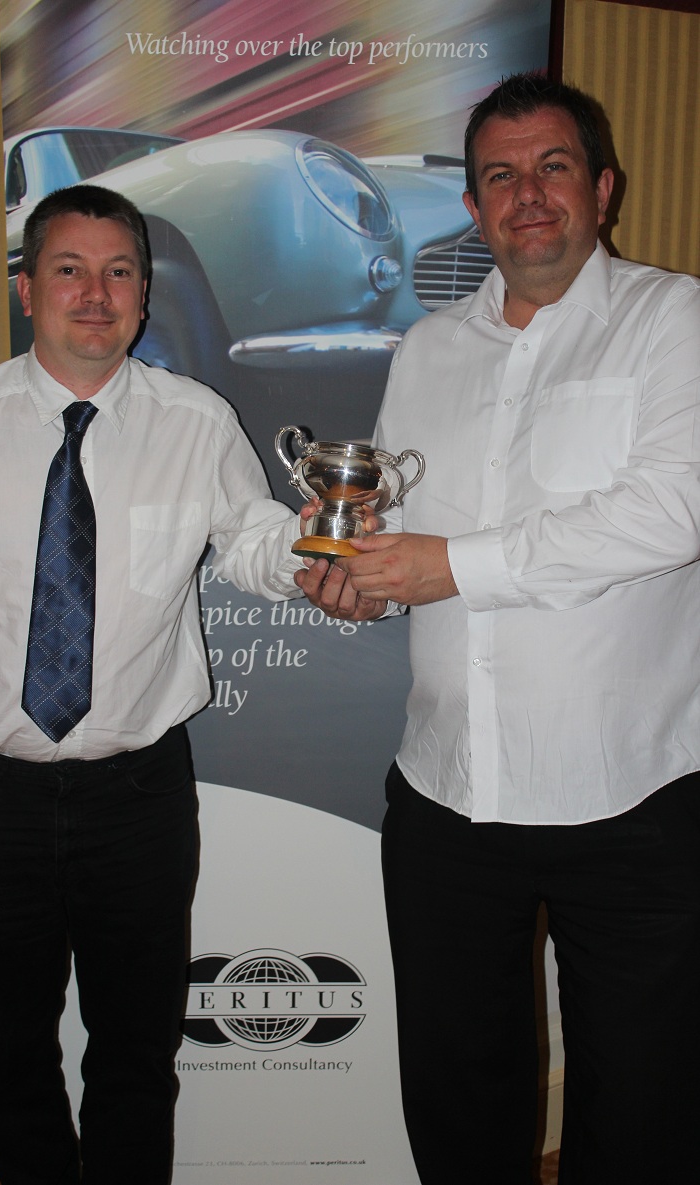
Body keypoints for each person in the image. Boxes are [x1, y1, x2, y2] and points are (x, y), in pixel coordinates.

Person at [296, 73, 700, 1184]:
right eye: (501, 176)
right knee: (457, 1093)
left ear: (602, 189)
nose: (529, 194)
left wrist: (447, 565)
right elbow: (404, 536)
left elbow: (671, 512)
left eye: (553, 167)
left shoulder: (675, 319)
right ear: (473, 206)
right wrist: (366, 584)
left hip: (630, 794)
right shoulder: (426, 349)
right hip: (446, 792)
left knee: (645, 1102)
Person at [0, 184, 307, 1185]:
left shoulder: (196, 421)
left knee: (136, 1056)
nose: (96, 293)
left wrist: (319, 551)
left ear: (143, 292)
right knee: (5, 1060)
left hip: (137, 798)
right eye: (69, 270)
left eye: (119, 271)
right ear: (27, 289)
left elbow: (252, 540)